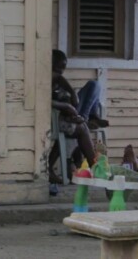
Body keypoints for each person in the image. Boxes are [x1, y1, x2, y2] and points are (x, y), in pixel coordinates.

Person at [48, 50, 105, 185]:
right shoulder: (44, 78)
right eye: (58, 68)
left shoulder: (57, 80)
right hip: (62, 116)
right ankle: (86, 117)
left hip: (70, 113)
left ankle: (88, 116)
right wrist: (66, 106)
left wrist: (72, 93)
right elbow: (46, 100)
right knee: (94, 86)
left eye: (63, 68)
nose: (61, 72)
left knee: (94, 86)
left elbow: (61, 83)